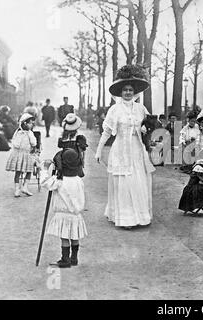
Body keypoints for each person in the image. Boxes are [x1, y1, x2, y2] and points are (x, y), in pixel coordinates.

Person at [95, 64, 155, 229]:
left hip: (136, 149)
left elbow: (150, 125)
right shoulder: (115, 110)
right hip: (121, 150)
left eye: (130, 90)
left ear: (134, 91)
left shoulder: (141, 108)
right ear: (120, 92)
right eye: (125, 90)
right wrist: (99, 151)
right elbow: (106, 132)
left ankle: (141, 216)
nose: (128, 92)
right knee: (124, 183)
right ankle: (125, 218)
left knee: (138, 182)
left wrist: (146, 130)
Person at [44, 148, 88, 268]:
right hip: (76, 215)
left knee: (64, 237)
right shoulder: (79, 180)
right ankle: (74, 258)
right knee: (74, 236)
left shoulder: (59, 181)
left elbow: (45, 183)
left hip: (63, 214)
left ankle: (65, 259)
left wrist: (45, 168)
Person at [5, 113, 37, 197]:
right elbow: (33, 143)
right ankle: (24, 187)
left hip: (18, 154)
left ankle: (18, 189)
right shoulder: (29, 133)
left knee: (18, 172)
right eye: (30, 123)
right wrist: (34, 147)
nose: (32, 125)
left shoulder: (17, 132)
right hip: (26, 154)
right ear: (25, 123)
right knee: (29, 170)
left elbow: (15, 143)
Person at [58, 113, 87, 178]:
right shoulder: (80, 136)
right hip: (76, 160)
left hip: (65, 160)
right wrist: (83, 162)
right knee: (76, 178)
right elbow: (82, 151)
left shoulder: (62, 136)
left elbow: (60, 146)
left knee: (65, 178)